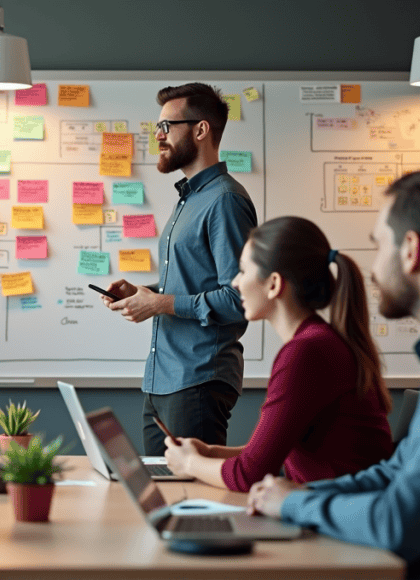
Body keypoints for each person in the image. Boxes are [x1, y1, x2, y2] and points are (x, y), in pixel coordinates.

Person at [248, 163, 420, 579]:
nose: (374, 268)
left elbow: (398, 522)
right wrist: (300, 492)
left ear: (411, 250)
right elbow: (397, 470)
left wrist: (293, 504)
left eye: (379, 246)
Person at [163, 216, 393, 490]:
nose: (235, 283)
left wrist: (189, 464)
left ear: (273, 284)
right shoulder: (316, 342)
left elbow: (250, 474)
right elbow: (263, 455)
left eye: (243, 271)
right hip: (334, 506)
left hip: (340, 518)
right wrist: (209, 453)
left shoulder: (306, 352)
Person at [101, 83, 257, 455]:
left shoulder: (225, 201)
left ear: (201, 130)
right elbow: (191, 279)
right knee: (163, 494)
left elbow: (239, 298)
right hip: (163, 380)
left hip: (198, 379)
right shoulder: (190, 199)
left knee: (192, 502)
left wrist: (159, 304)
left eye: (166, 127)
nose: (158, 136)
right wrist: (144, 293)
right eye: (156, 127)